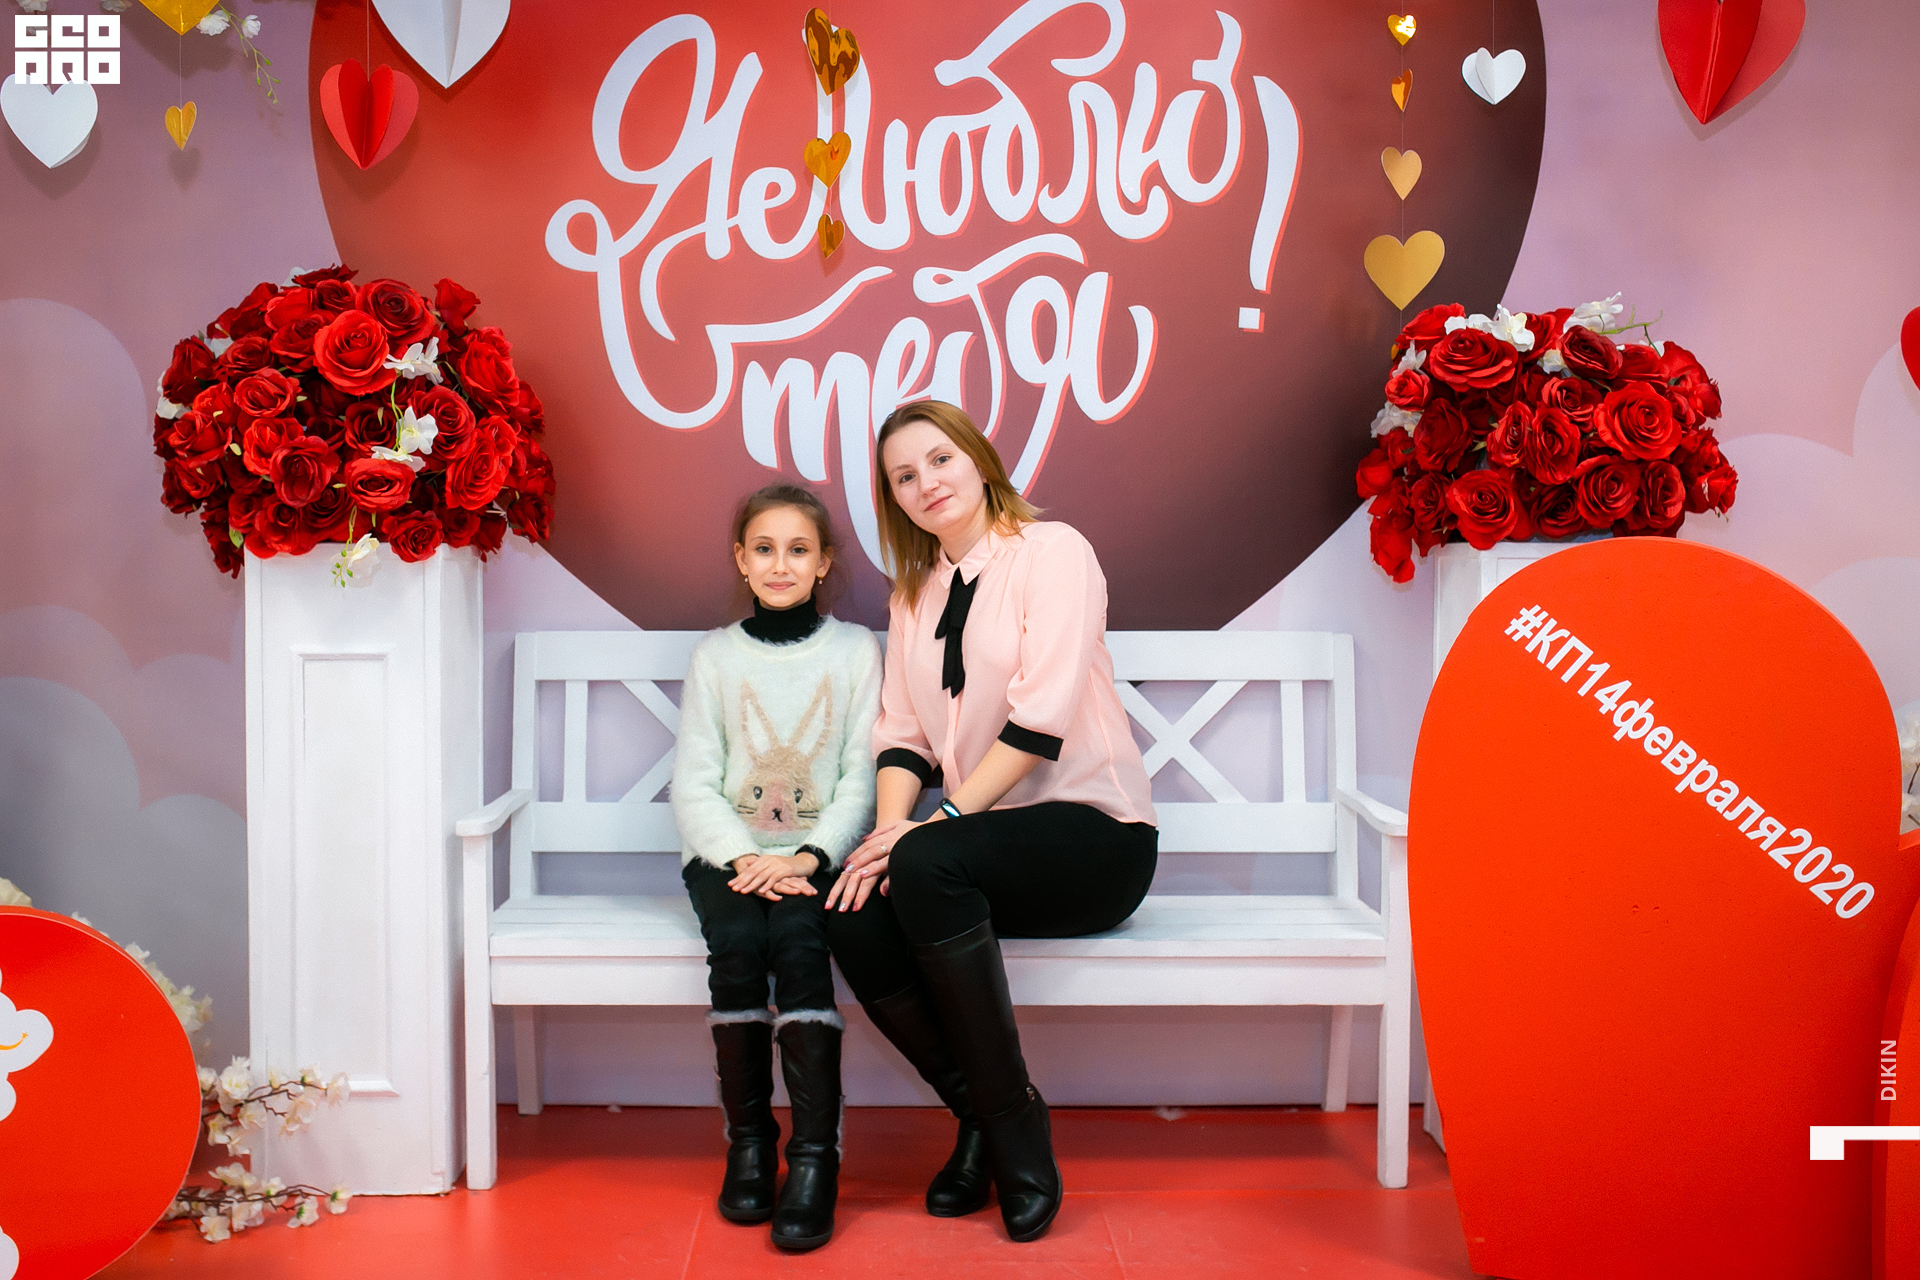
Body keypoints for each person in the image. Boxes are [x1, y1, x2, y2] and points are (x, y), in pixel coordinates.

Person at [823, 400, 1159, 1243]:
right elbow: (901, 737)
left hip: (1096, 838)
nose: (927, 483)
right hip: (973, 852)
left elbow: (1040, 720)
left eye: (940, 459)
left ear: (978, 459)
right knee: (851, 902)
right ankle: (983, 1112)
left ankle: (1010, 1129)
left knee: (929, 862)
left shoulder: (1053, 552)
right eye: (904, 476)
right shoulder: (914, 596)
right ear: (894, 500)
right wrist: (888, 836)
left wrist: (934, 826)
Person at [670, 483, 881, 1252]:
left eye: (798, 549)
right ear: (741, 559)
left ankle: (815, 1160)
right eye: (764, 549)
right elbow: (695, 782)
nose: (780, 564)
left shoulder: (856, 652)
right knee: (736, 946)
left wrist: (806, 857)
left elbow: (861, 775)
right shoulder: (715, 657)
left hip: (816, 858)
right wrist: (747, 857)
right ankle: (750, 1145)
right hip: (726, 857)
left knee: (798, 945)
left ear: (823, 563)